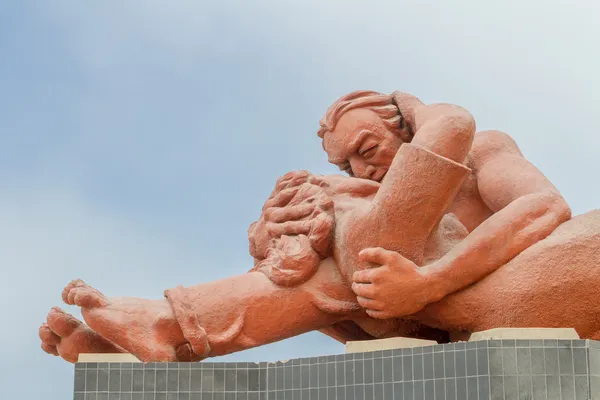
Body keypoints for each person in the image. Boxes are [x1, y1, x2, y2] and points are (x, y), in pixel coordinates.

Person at [317, 90, 574, 320]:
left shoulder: (481, 151)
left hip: (539, 299)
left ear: (405, 129)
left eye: (369, 149)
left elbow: (545, 205)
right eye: (347, 167)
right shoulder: (377, 215)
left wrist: (432, 282)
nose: (362, 171)